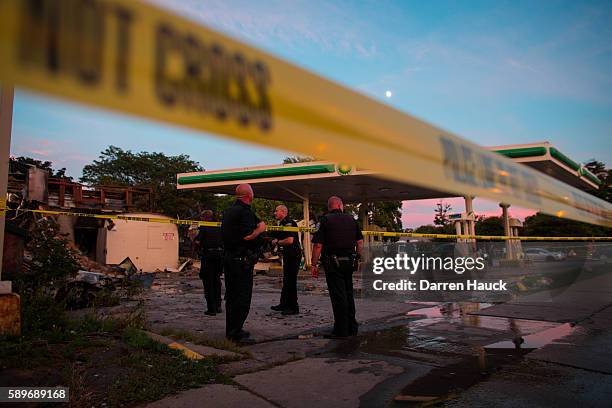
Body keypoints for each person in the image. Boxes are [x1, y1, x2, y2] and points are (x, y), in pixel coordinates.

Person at [311, 196, 363, 339]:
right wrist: (358, 258)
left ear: (329, 207)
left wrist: (313, 264)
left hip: (333, 263)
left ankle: (341, 330)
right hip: (349, 262)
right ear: (341, 205)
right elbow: (359, 242)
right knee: (348, 294)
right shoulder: (352, 219)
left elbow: (318, 245)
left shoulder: (325, 220)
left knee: (338, 296)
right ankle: (352, 327)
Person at [221, 184, 266, 343]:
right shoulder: (244, 212)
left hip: (229, 259)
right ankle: (236, 334)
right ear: (249, 195)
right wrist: (260, 230)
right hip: (241, 261)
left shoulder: (229, 211)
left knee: (232, 296)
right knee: (242, 297)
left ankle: (232, 330)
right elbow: (248, 236)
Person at [270, 205, 301, 315]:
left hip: (294, 255)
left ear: (283, 212)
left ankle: (293, 307)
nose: (275, 213)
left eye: (276, 211)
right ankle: (284, 304)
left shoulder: (289, 223)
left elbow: (290, 240)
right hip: (288, 255)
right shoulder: (282, 224)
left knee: (291, 281)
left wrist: (277, 242)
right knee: (286, 280)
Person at [194, 210, 223, 316]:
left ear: (204, 218)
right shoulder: (219, 226)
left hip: (208, 256)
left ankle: (211, 308)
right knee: (217, 281)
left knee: (208, 282)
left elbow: (197, 241)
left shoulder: (204, 227)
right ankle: (218, 305)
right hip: (219, 256)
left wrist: (195, 240)